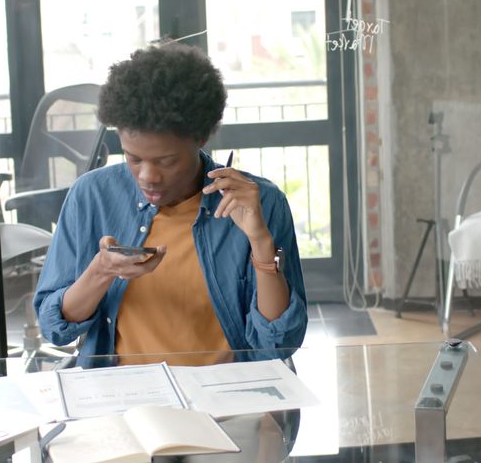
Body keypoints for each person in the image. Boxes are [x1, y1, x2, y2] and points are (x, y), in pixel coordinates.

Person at [33, 43, 307, 365]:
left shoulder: (260, 203)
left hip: (222, 395)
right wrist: (102, 270)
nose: (148, 176)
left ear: (201, 137)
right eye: (133, 158)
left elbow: (277, 346)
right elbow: (55, 329)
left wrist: (260, 241)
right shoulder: (92, 196)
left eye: (166, 160)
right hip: (125, 398)